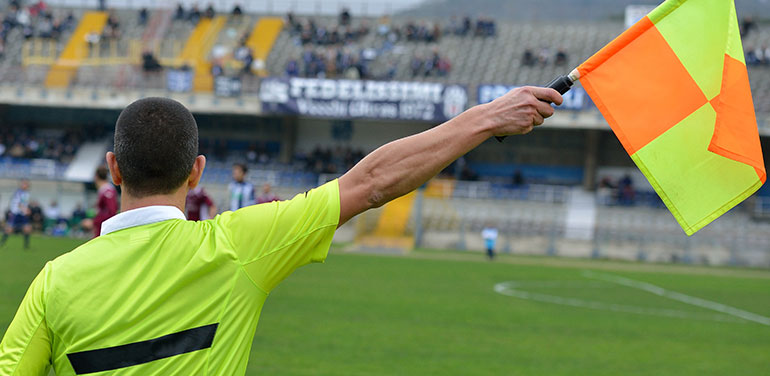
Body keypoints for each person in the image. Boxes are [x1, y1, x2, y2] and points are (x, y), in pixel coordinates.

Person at [0, 88, 561, 374]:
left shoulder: (54, 283)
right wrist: (487, 118)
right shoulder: (239, 246)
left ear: (113, 168)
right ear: (197, 172)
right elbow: (372, 183)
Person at [0, 179, 32, 249]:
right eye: (24, 184)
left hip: (22, 214)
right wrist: (26, 210)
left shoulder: (26, 193)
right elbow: (18, 204)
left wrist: (27, 209)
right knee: (9, 229)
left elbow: (24, 203)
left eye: (26, 184)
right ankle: (2, 243)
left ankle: (26, 246)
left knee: (27, 228)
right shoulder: (19, 193)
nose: (25, 185)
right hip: (15, 213)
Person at [93, 165, 118, 237]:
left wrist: (95, 221)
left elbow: (111, 211)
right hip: (102, 226)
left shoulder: (107, 191)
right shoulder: (104, 190)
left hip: (104, 227)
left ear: (96, 177)